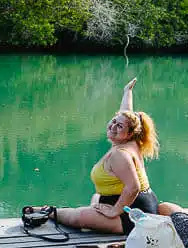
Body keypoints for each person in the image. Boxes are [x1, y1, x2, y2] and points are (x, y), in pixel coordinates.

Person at [25, 79, 159, 235]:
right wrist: (127, 92)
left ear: (129, 133)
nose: (113, 126)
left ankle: (48, 211)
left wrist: (115, 211)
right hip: (141, 203)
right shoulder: (131, 140)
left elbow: (133, 187)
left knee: (79, 218)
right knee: (96, 198)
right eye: (114, 121)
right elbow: (126, 113)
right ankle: (55, 210)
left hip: (133, 216)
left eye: (119, 126)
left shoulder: (120, 154)